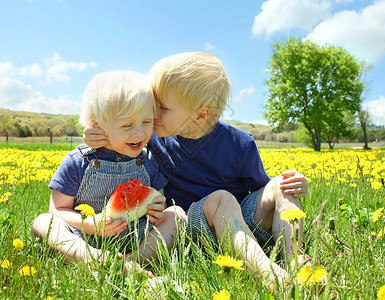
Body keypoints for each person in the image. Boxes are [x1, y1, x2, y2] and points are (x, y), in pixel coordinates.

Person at [83, 53, 308, 285]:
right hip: (189, 228)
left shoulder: (240, 143)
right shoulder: (151, 136)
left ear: (200, 115)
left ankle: (296, 259)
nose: (152, 114)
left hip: (239, 224)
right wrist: (100, 136)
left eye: (162, 107)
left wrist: (292, 185)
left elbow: (262, 189)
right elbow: (122, 143)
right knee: (221, 199)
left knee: (283, 181)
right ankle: (265, 271)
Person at [32, 71, 185, 273]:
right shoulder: (78, 161)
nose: (139, 133)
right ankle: (94, 258)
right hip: (85, 238)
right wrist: (90, 225)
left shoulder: (148, 160)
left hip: (137, 236)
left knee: (177, 215)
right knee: (43, 222)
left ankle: (133, 261)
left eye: (147, 122)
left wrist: (157, 209)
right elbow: (57, 211)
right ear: (98, 125)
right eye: (127, 125)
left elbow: (160, 200)